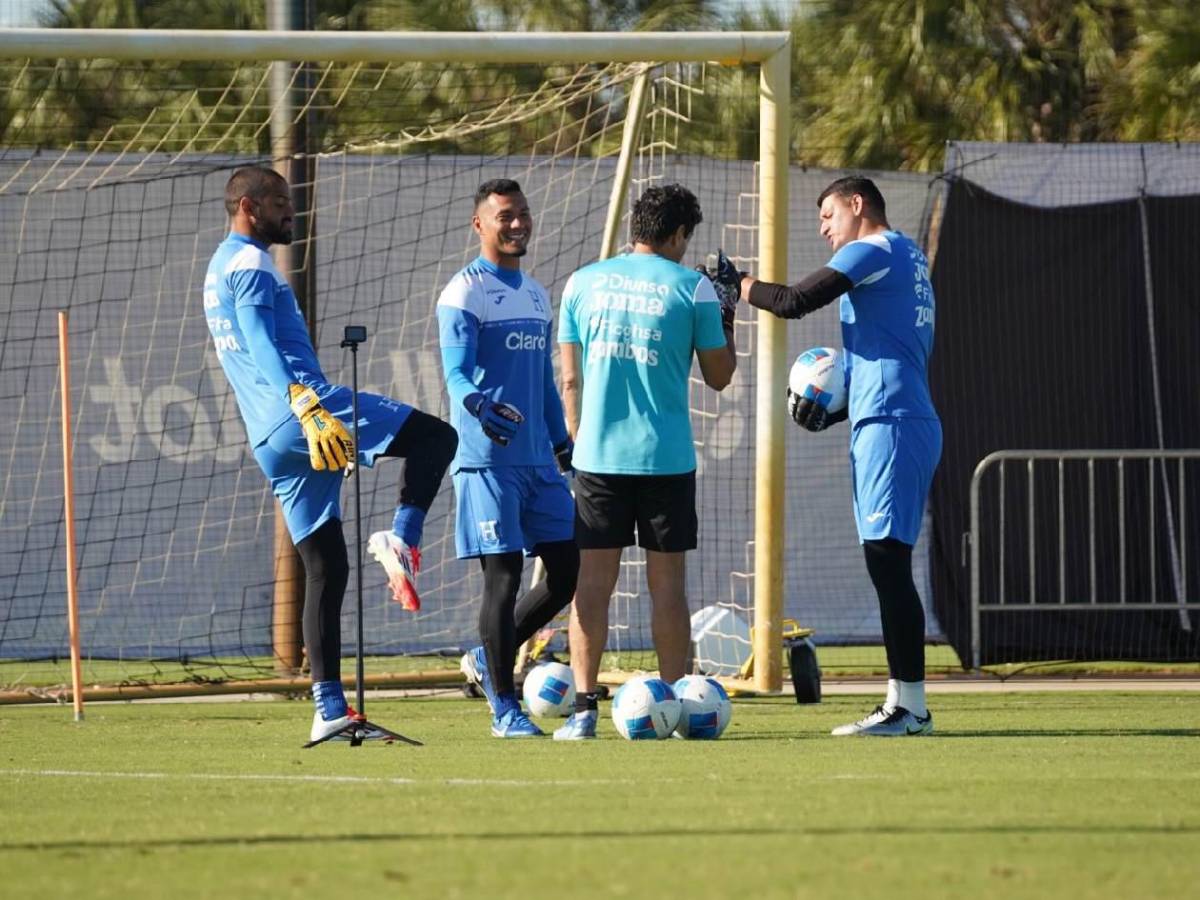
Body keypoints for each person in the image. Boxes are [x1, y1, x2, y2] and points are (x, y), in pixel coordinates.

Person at [203, 166, 457, 743]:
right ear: (248, 206)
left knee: (327, 568)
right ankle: (401, 537)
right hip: (307, 415)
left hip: (270, 439)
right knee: (437, 438)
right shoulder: (247, 263)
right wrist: (305, 401)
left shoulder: (217, 267)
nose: (290, 211)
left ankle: (329, 707)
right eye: (278, 202)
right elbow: (260, 339)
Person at [724, 175, 941, 736]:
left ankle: (909, 707)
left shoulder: (875, 247)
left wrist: (738, 283)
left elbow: (796, 301)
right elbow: (890, 353)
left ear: (857, 204)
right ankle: (903, 702)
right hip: (893, 418)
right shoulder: (908, 255)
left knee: (888, 562)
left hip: (892, 424)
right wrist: (839, 407)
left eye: (827, 215)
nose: (823, 228)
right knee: (886, 561)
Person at [553, 183, 737, 740]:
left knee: (591, 585)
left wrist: (579, 438)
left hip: (598, 457)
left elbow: (569, 378)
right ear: (679, 234)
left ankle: (583, 712)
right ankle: (678, 707)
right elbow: (720, 376)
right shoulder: (695, 288)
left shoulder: (581, 282)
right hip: (665, 458)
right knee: (668, 587)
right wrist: (726, 310)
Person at [438, 178, 579, 738]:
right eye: (505, 216)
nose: (517, 223)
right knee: (504, 577)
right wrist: (476, 404)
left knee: (567, 573)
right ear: (480, 224)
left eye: (523, 213)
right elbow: (454, 372)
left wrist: (563, 443)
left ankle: (486, 655)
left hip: (538, 463)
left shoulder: (537, 293)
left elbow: (543, 381)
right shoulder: (463, 292)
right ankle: (504, 707)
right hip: (486, 460)